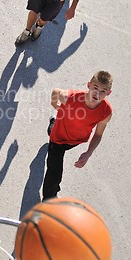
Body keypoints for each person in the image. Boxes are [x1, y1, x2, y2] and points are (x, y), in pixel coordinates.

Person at [42, 71, 113, 201]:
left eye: (103, 91)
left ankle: (53, 120)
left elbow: (98, 134)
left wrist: (88, 152)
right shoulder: (71, 98)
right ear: (89, 85)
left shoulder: (106, 112)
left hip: (76, 140)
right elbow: (56, 91)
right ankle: (49, 200)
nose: (97, 94)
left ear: (109, 93)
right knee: (54, 173)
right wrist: (54, 105)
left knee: (53, 128)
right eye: (95, 88)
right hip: (57, 139)